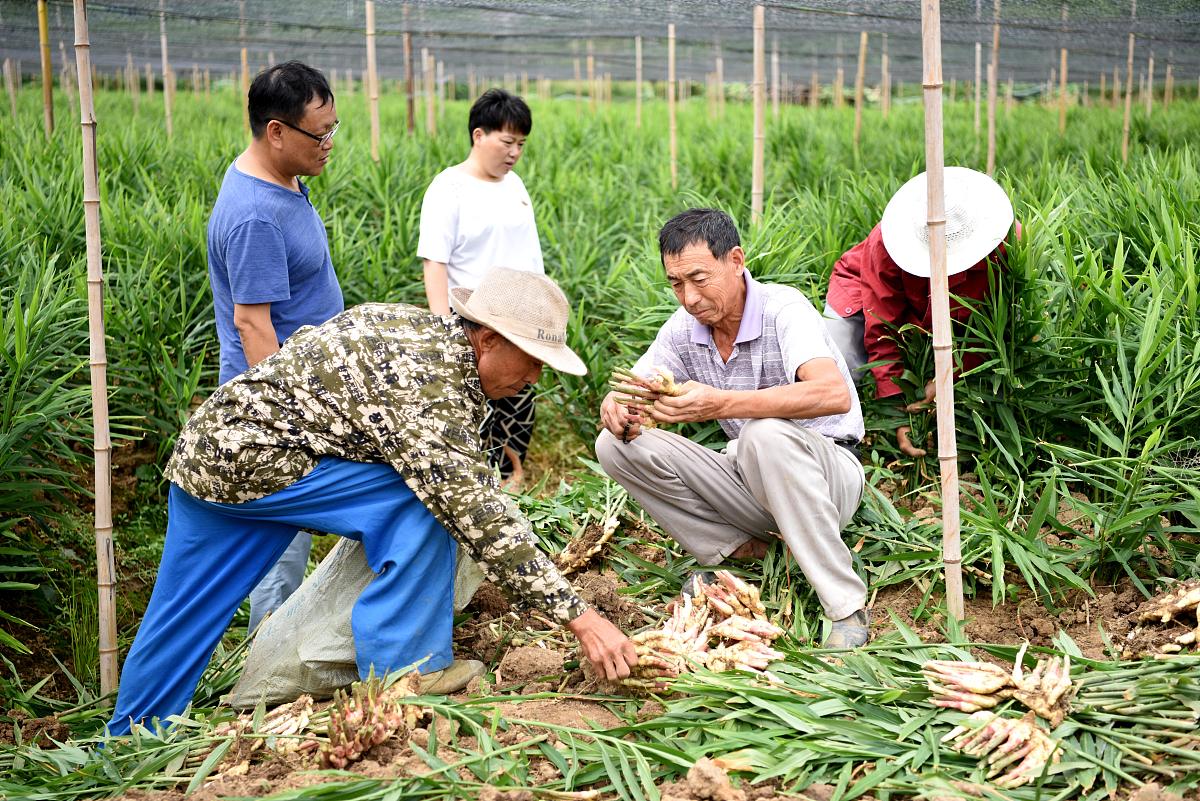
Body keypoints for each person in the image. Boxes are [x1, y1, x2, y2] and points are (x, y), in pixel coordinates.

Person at [108, 269, 637, 735]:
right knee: (426, 502)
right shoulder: (428, 384)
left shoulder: (425, 338)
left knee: (182, 611)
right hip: (260, 462)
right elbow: (475, 510)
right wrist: (581, 617)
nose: (535, 378)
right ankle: (406, 670)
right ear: (489, 341)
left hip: (211, 459)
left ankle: (131, 734)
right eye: (533, 360)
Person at [595, 209, 871, 650]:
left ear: (736, 260)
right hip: (752, 479)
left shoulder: (784, 310)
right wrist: (619, 406)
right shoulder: (685, 329)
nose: (688, 297)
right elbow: (639, 382)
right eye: (675, 284)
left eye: (699, 278)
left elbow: (832, 394)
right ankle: (743, 554)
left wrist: (721, 403)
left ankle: (846, 605)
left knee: (764, 433)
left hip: (827, 475)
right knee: (614, 446)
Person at [207, 61, 346, 632]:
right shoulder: (256, 216)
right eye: (320, 134)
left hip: (307, 393)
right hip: (280, 409)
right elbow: (252, 325)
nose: (330, 144)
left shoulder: (283, 179)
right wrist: (291, 418)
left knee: (287, 540)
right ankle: (267, 687)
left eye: (335, 128)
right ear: (276, 132)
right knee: (277, 552)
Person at [823, 167, 1017, 457]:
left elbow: (994, 323)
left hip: (937, 312)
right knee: (838, 366)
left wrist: (947, 375)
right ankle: (833, 448)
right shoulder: (887, 243)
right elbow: (882, 330)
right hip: (863, 291)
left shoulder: (1002, 242)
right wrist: (899, 412)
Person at [418, 89, 543, 484]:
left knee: (521, 401)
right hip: (473, 323)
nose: (514, 153)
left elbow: (529, 250)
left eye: (521, 144)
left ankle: (511, 480)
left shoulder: (515, 185)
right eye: (507, 142)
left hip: (519, 318)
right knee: (476, 407)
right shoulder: (448, 187)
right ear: (478, 135)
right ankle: (476, 486)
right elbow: (434, 261)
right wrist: (445, 330)